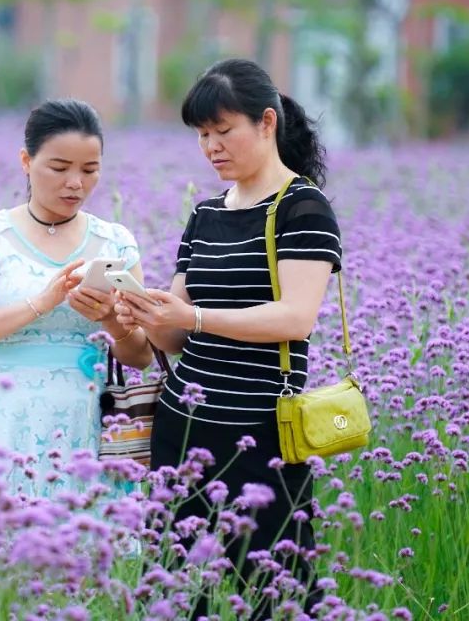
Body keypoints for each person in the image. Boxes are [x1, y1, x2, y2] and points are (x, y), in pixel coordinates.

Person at [114, 59, 341, 618]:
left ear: (267, 123)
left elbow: (295, 319)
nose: (211, 146)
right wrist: (133, 313)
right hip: (182, 428)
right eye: (202, 136)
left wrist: (194, 319)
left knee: (272, 589)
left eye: (223, 131)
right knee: (173, 592)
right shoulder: (206, 213)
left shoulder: (303, 208)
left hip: (260, 433)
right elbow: (173, 338)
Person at [0, 98, 153, 498]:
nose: (75, 182)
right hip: (5, 418)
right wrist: (42, 301)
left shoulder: (116, 243)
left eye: (90, 170)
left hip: (88, 420)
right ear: (26, 161)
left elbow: (141, 355)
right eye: (59, 168)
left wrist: (110, 320)